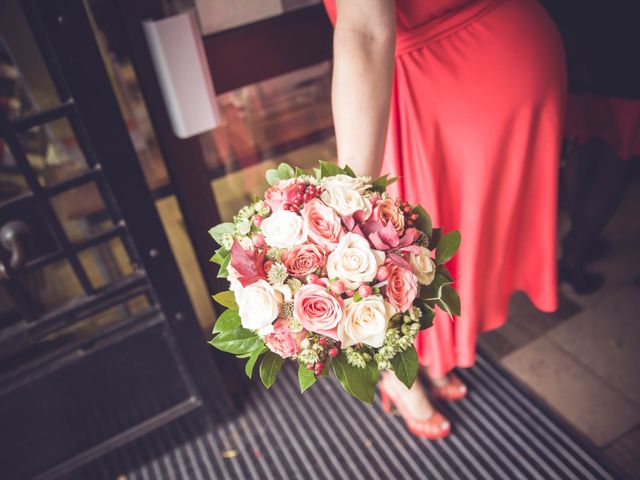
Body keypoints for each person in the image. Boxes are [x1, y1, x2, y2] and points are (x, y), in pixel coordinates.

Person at [324, 0, 566, 439]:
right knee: (415, 251)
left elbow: (365, 29)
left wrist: (348, 199)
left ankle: (428, 362)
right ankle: (410, 371)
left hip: (448, 78)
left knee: (432, 250)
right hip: (448, 75)